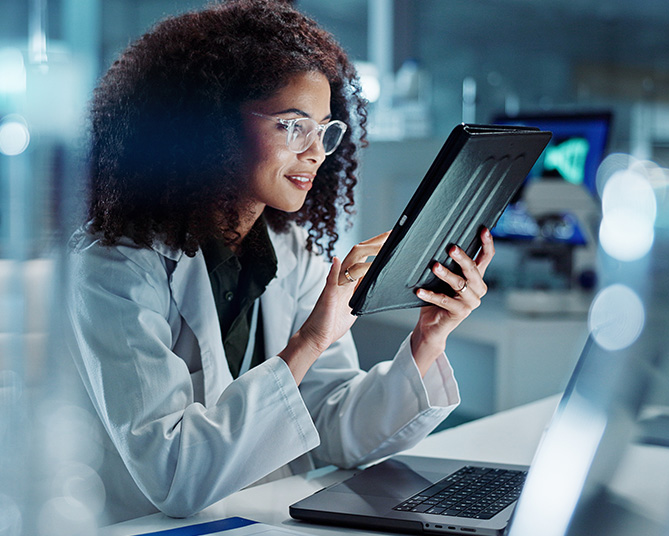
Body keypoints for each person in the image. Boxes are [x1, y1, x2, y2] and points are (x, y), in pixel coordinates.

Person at [65, 0, 495, 525]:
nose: (316, 152)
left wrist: (427, 340)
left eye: (325, 130)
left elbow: (333, 427)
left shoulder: (292, 251)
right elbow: (173, 474)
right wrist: (309, 343)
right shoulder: (116, 269)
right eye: (293, 126)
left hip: (255, 517)